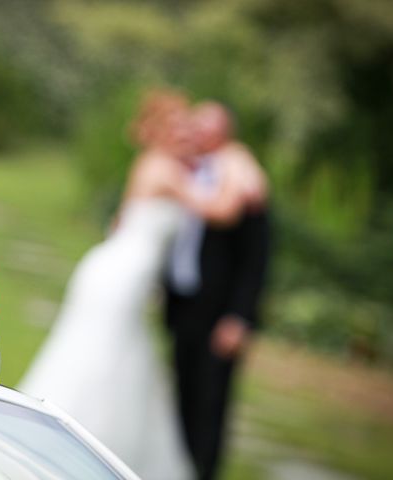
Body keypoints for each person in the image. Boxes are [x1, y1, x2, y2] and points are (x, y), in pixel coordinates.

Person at [19, 91, 262, 479]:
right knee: (99, 353)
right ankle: (77, 438)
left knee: (115, 353)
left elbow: (120, 221)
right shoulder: (164, 170)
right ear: (162, 131)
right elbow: (222, 210)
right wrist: (237, 160)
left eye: (189, 127)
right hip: (119, 277)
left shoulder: (162, 166)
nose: (187, 135)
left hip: (118, 272)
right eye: (179, 127)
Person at [164, 102, 270, 480]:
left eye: (209, 128)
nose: (200, 134)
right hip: (182, 305)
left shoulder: (245, 180)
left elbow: (256, 259)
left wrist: (240, 317)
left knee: (211, 403)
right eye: (197, 126)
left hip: (220, 312)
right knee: (180, 395)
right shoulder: (181, 169)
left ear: (226, 135)